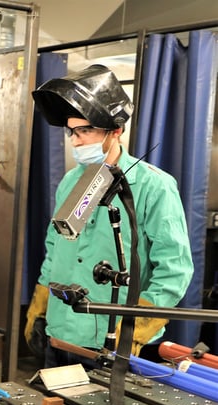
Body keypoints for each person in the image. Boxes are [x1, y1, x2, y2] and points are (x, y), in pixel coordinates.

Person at [24, 64, 194, 370]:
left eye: (85, 130)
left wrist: (137, 327)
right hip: (61, 333)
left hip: (111, 343)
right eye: (72, 131)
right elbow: (56, 250)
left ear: (116, 131)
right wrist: (41, 305)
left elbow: (174, 269)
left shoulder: (154, 186)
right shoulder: (70, 182)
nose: (75, 141)